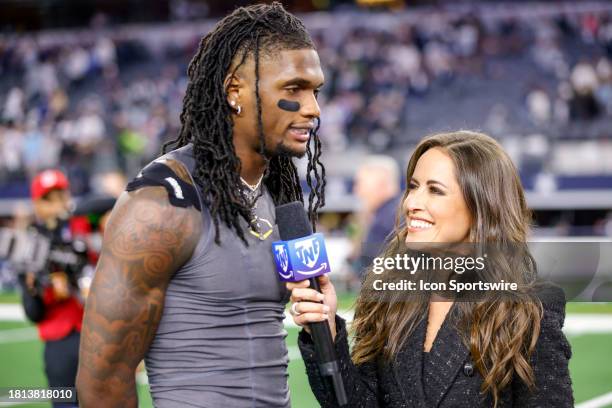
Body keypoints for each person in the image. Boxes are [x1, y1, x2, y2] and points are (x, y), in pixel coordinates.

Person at [76, 3, 325, 407]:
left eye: (316, 90)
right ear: (234, 91)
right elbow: (102, 384)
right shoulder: (161, 203)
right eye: (294, 89)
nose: (313, 108)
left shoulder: (280, 192)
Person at [287, 131, 573, 407]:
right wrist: (326, 333)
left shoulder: (529, 306)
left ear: (481, 206)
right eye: (413, 186)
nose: (412, 203)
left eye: (435, 190)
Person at [19, 169, 84, 408]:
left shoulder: (82, 227)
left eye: (61, 195)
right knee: (66, 402)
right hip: (61, 339)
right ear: (37, 204)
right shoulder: (31, 245)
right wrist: (34, 287)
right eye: (49, 199)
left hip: (99, 332)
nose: (58, 204)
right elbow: (33, 312)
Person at [351, 155, 402, 278]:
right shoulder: (394, 213)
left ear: (381, 184)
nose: (356, 191)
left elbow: (368, 271)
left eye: (360, 184)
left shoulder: (386, 220)